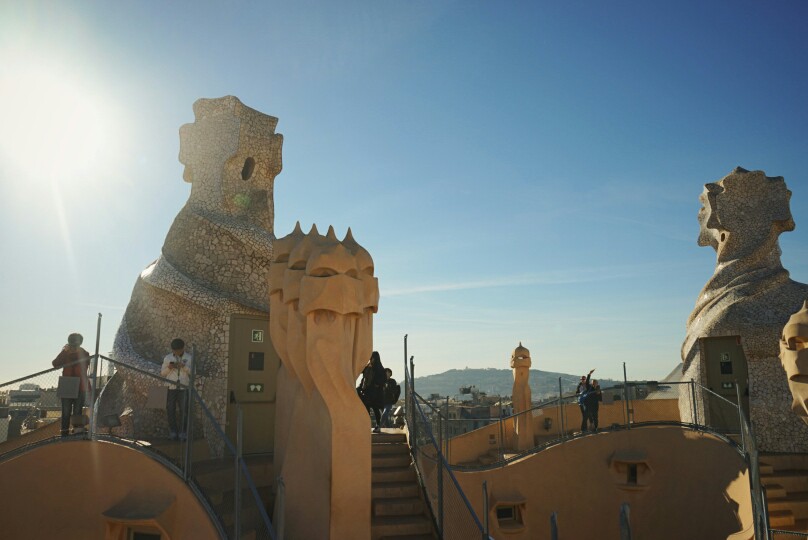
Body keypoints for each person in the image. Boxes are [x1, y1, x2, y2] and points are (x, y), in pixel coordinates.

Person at [52, 333, 91, 437]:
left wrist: (69, 353)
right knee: (66, 412)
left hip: (80, 385)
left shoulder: (85, 353)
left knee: (77, 411)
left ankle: (76, 432)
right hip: (67, 384)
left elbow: (81, 363)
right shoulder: (66, 353)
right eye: (72, 344)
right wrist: (64, 352)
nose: (73, 347)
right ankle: (64, 433)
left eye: (75, 344)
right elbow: (55, 364)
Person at [160, 338, 193, 440]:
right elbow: (162, 373)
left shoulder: (189, 358)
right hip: (171, 387)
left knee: (184, 411)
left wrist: (184, 367)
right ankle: (173, 431)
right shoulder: (167, 358)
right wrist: (169, 367)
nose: (176, 352)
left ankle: (183, 432)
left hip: (184, 388)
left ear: (182, 348)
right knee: (170, 410)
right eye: (174, 350)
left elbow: (193, 373)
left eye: (178, 350)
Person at [359, 351, 386, 433]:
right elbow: (362, 374)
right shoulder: (368, 367)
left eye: (372, 358)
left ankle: (378, 425)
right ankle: (367, 425)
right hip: (366, 391)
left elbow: (383, 380)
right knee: (366, 409)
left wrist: (376, 384)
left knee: (375, 409)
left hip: (375, 393)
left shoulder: (379, 368)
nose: (371, 359)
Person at [575, 369, 595, 433]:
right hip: (581, 402)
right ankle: (585, 428)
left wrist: (589, 374)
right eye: (582, 379)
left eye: (584, 379)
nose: (582, 380)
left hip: (587, 401)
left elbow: (588, 380)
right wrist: (578, 394)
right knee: (584, 415)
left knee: (586, 414)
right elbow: (577, 393)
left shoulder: (587, 385)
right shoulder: (579, 386)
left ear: (585, 380)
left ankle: (585, 428)